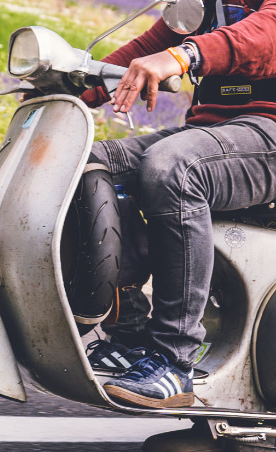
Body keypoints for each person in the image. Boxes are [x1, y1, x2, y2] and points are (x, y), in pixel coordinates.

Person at [80, 0, 276, 408]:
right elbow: (145, 50)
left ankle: (174, 359)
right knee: (87, 163)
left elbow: (263, 35)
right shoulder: (207, 5)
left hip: (268, 136)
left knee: (172, 168)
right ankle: (131, 335)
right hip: (213, 133)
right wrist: (73, 85)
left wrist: (183, 56)